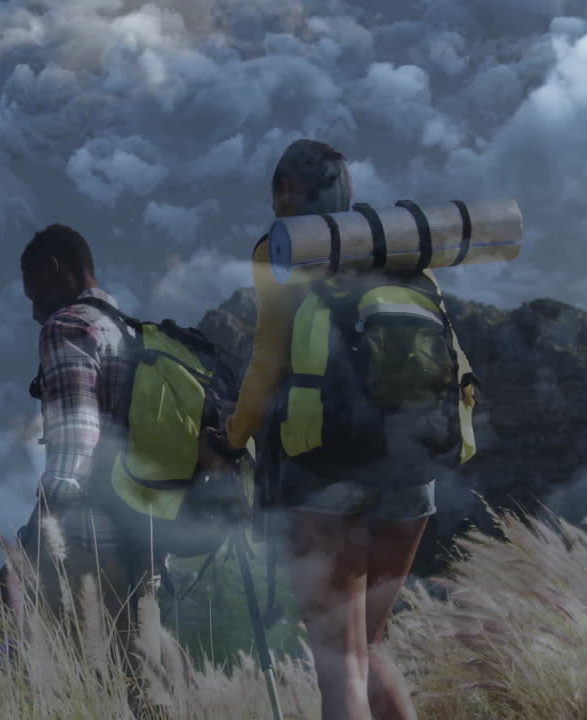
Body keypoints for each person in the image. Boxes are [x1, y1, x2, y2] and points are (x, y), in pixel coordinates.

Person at [213, 139, 431, 720]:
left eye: (276, 193)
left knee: (339, 664)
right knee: (369, 649)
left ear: (287, 192)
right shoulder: (396, 242)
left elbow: (267, 363)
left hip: (325, 470)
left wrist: (233, 438)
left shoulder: (283, 250)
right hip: (414, 471)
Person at [17, 222, 158, 716]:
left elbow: (76, 437)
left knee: (90, 692)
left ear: (55, 269)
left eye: (34, 294)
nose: (34, 311)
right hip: (147, 532)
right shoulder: (131, 330)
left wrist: (41, 520)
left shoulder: (67, 327)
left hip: (88, 540)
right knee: (146, 684)